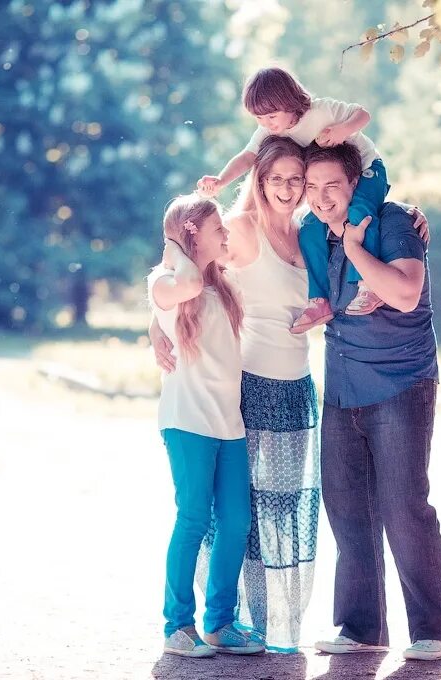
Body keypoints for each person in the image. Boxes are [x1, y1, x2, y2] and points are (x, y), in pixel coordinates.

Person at [151, 137, 429, 653]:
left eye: (295, 179)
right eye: (276, 177)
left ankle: (268, 624)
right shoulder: (238, 230)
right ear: (257, 180)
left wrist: (407, 214)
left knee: (275, 515)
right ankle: (207, 619)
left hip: (299, 387)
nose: (289, 188)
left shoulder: (311, 232)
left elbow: (365, 197)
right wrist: (157, 323)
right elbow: (189, 270)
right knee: (229, 515)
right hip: (248, 387)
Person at [304, 142, 441, 661]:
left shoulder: (392, 224)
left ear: (354, 184)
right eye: (312, 188)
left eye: (333, 186)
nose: (322, 198)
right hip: (343, 385)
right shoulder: (315, 235)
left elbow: (406, 293)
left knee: (402, 505)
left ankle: (435, 626)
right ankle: (361, 627)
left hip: (400, 382)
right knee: (347, 509)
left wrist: (355, 250)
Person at [148, 194, 264, 658]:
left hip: (227, 422)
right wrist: (175, 246)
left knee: (235, 521)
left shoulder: (220, 284)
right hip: (188, 420)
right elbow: (187, 283)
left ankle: (220, 623)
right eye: (217, 229)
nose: (226, 235)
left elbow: (245, 227)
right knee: (193, 518)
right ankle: (177, 627)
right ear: (194, 232)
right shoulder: (166, 282)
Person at [197, 66, 393, 333]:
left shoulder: (321, 111)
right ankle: (319, 300)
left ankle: (368, 286)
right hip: (333, 185)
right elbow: (247, 157)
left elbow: (363, 114)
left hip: (367, 170)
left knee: (359, 213)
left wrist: (342, 130)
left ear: (289, 101)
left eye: (271, 116)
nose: (267, 124)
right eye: (259, 118)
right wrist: (221, 180)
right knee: (311, 228)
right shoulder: (270, 132)